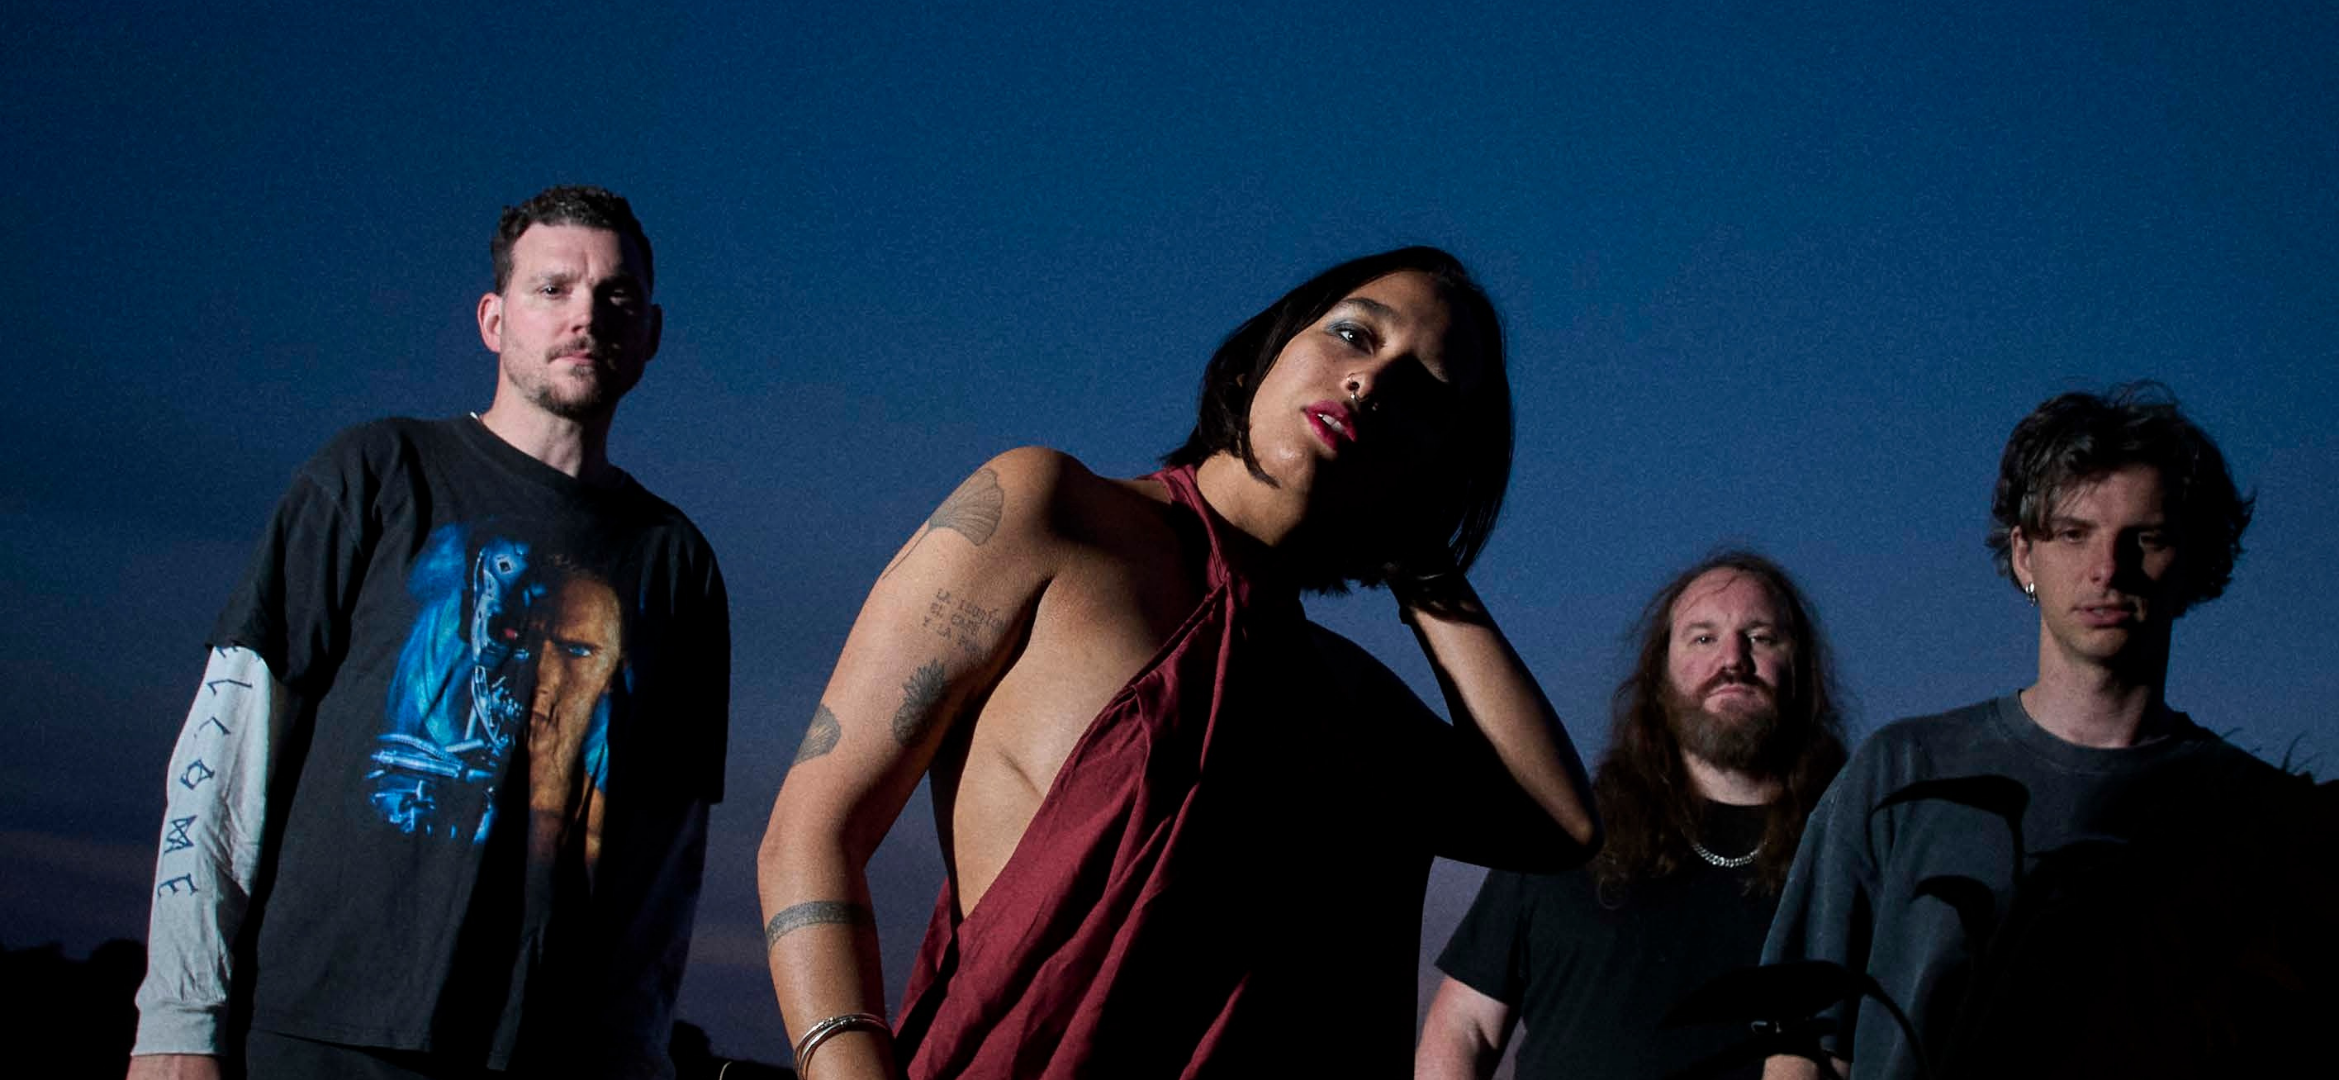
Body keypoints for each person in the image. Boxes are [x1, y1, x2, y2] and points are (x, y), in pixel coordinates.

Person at [756, 247, 1599, 1079]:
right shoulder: (1050, 513)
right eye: (1352, 334)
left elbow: (1554, 823)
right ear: (1256, 357)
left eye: (1423, 394)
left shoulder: (1346, 697)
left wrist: (1422, 566)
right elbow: (813, 832)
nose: (1370, 383)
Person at [126, 186, 730, 1079]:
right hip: (313, 1034)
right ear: (493, 319)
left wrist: (637, 1051)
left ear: (651, 333)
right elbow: (229, 753)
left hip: (539, 1054)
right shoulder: (375, 474)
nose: (585, 317)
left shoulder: (677, 561)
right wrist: (178, 1020)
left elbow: (664, 854)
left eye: (616, 297)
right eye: (552, 289)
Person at [1759, 384, 2279, 1080]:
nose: (2107, 569)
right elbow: (1801, 1047)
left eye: (2146, 538)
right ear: (2025, 555)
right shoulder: (1903, 772)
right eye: (2072, 534)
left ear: (2192, 560)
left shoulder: (2258, 813)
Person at [1420, 551, 1849, 1080]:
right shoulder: (1569, 831)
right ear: (1659, 672)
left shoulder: (1845, 857)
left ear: (1801, 670)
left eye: (1761, 637)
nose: (1733, 660)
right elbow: (1465, 1027)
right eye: (1703, 638)